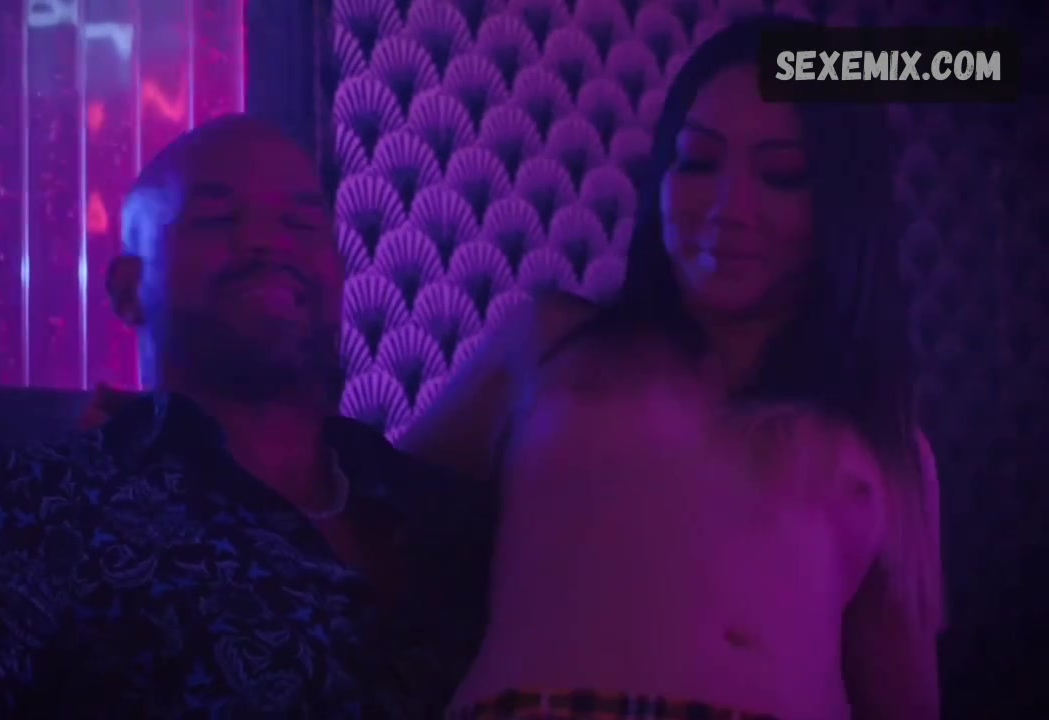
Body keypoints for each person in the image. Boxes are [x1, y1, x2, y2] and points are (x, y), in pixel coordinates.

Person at [0, 115, 492, 718]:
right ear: (128, 290)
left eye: (301, 224)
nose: (267, 242)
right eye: (217, 219)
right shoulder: (27, 510)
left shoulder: (451, 511)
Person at [400, 16, 944, 720]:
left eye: (780, 174)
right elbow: (376, 514)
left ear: (842, 205)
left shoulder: (884, 443)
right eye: (697, 161)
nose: (728, 208)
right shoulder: (551, 341)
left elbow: (904, 698)